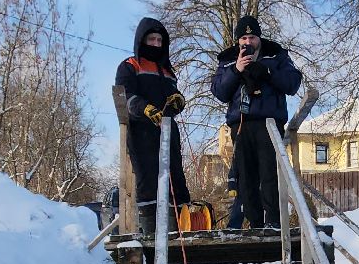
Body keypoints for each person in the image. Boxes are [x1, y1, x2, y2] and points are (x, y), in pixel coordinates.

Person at [212, 14, 302, 230]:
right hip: (240, 123)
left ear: (259, 38)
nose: (248, 42)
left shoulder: (276, 54)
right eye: (243, 38)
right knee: (245, 175)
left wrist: (268, 72)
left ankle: (273, 222)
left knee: (270, 172)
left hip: (269, 121)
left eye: (252, 38)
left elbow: (292, 83)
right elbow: (220, 91)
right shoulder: (227, 60)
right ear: (238, 40)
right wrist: (237, 70)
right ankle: (255, 223)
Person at [115, 17, 190, 236]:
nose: (156, 44)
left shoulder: (167, 71)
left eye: (159, 40)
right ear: (142, 40)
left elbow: (171, 100)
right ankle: (149, 235)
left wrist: (177, 101)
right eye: (151, 39)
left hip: (167, 131)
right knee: (148, 182)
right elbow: (125, 95)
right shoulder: (130, 65)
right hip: (142, 131)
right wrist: (144, 108)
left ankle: (178, 234)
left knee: (176, 180)